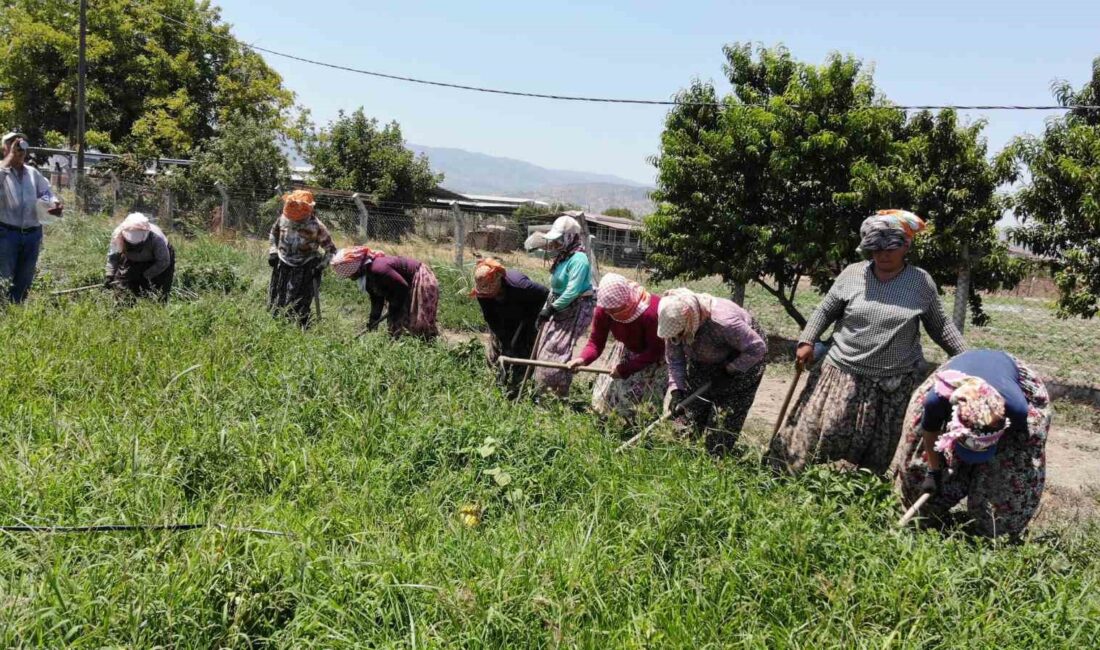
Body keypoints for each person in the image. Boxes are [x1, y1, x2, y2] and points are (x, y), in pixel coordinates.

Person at [768, 210, 967, 475]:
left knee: (877, 446)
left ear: (906, 246)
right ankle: (796, 478)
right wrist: (807, 340)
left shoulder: (920, 282)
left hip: (892, 382)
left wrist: (969, 359)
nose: (883, 255)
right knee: (824, 433)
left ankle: (859, 492)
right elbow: (825, 310)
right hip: (843, 372)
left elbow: (941, 327)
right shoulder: (853, 274)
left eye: (890, 249)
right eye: (875, 249)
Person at [891, 350, 1051, 537]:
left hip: (1010, 386)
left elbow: (1018, 445)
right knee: (918, 464)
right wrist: (933, 472)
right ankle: (925, 516)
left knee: (1010, 472)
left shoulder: (1017, 410)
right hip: (957, 377)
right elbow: (930, 432)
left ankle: (993, 532)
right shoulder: (936, 400)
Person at [658, 288, 767, 454]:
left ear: (690, 321)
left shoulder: (723, 322)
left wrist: (730, 370)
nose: (677, 338)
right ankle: (684, 457)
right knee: (686, 419)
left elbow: (757, 348)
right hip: (703, 362)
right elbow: (675, 359)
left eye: (681, 333)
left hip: (741, 362)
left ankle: (714, 461)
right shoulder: (675, 326)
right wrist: (676, 390)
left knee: (721, 424)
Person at [567, 273, 665, 418]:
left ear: (626, 301)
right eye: (606, 310)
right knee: (609, 397)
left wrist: (626, 369)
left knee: (641, 404)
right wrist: (582, 359)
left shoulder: (650, 312)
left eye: (613, 310)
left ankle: (638, 428)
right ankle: (611, 423)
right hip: (627, 350)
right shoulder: (604, 309)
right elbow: (595, 342)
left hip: (652, 358)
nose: (609, 313)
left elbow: (656, 350)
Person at [526, 215, 595, 398]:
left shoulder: (579, 259)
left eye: (558, 239)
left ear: (569, 238)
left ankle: (556, 396)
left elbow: (572, 291)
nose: (555, 243)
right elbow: (555, 287)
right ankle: (539, 391)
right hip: (558, 306)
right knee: (544, 346)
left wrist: (551, 309)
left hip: (575, 308)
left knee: (557, 350)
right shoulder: (564, 257)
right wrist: (546, 308)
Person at [470, 258, 550, 396]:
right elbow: (489, 317)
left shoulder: (520, 285)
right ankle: (497, 384)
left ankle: (521, 388)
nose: (488, 293)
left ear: (498, 281)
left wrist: (531, 316)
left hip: (526, 318)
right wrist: (503, 339)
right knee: (497, 352)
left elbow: (545, 294)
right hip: (502, 318)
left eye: (491, 290)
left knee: (524, 352)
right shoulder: (482, 293)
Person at [0, 132, 62, 304]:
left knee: (25, 277)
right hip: (6, 233)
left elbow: (46, 193)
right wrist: (10, 158)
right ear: (4, 148)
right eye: (12, 144)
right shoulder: (1, 169)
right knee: (3, 277)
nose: (18, 148)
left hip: (32, 234)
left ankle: (16, 311)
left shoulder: (32, 173)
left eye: (20, 144)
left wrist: (54, 204)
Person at [330, 245, 439, 340]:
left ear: (355, 269)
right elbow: (377, 299)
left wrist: (394, 306)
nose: (349, 277)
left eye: (349, 274)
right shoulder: (369, 276)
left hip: (420, 278)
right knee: (394, 322)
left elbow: (402, 287)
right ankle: (398, 346)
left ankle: (428, 347)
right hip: (403, 287)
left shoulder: (378, 269)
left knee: (420, 323)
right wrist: (373, 320)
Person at [267, 190, 335, 327]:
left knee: (298, 304)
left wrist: (320, 267)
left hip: (305, 268)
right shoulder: (283, 218)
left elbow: (331, 251)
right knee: (277, 300)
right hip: (283, 265)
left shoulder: (317, 226)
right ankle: (276, 326)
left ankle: (299, 328)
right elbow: (273, 234)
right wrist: (273, 251)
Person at [105, 212, 175, 300]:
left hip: (156, 260)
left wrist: (145, 275)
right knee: (123, 286)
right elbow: (113, 257)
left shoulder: (157, 239)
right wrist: (109, 274)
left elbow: (163, 262)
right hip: (130, 260)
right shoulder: (118, 236)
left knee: (159, 292)